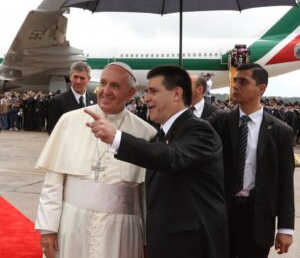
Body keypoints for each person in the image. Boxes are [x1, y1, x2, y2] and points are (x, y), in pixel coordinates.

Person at [85, 65, 228, 258]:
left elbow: (171, 157)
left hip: (192, 247)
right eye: (146, 92)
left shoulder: (200, 131)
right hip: (164, 244)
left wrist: (117, 138)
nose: (146, 98)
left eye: (153, 91)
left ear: (176, 94)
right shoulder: (160, 135)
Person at [35, 62, 156, 258]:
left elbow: (144, 196)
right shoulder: (69, 121)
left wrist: (146, 240)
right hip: (72, 224)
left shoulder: (145, 132)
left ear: (131, 93)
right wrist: (48, 228)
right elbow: (53, 181)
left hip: (122, 231)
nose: (106, 91)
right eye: (103, 83)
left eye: (115, 86)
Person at [208, 63, 295, 258]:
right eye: (235, 80)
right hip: (222, 215)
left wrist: (286, 228)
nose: (235, 85)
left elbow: (286, 181)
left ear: (261, 89)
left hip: (257, 218)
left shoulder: (280, 132)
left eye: (243, 81)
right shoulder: (221, 122)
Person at [46, 61, 97, 135]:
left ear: (88, 79)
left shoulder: (95, 99)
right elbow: (52, 131)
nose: (78, 81)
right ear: (70, 77)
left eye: (82, 78)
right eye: (75, 77)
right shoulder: (58, 101)